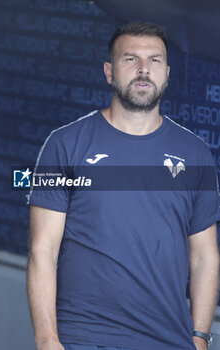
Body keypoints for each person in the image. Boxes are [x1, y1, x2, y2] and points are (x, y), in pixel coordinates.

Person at [27, 22, 220, 350]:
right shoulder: (63, 145)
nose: (144, 70)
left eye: (154, 60)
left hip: (168, 341)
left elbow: (205, 256)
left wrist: (200, 337)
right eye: (131, 59)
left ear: (167, 73)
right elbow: (42, 251)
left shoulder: (196, 153)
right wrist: (47, 340)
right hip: (84, 339)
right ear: (109, 72)